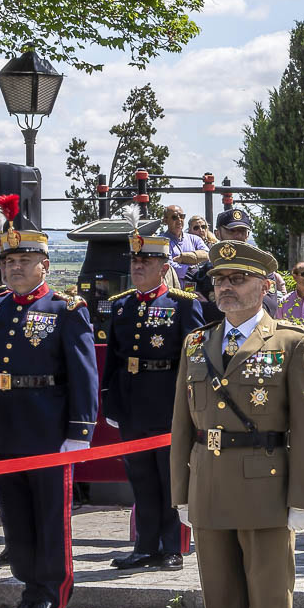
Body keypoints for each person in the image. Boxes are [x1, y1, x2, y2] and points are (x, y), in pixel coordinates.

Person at [170, 239, 304, 608]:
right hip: (210, 485)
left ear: (264, 285)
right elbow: (181, 427)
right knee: (221, 603)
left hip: (266, 488)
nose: (226, 288)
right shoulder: (197, 344)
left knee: (269, 604)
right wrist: (182, 490)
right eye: (219, 280)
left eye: (237, 279)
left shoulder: (292, 343)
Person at [0, 197, 97, 608]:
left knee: (50, 515)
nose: (14, 268)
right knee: (16, 516)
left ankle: (51, 592)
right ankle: (28, 588)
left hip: (49, 430)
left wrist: (79, 431)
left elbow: (82, 374)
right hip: (6, 429)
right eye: (9, 261)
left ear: (44, 265)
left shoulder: (65, 310)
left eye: (24, 260)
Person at [100, 221, 206, 572]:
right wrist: (111, 403)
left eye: (145, 262)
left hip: (167, 403)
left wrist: (190, 406)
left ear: (164, 268)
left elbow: (193, 359)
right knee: (141, 479)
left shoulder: (182, 304)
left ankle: (172, 546)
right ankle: (145, 546)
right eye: (134, 261)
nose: (138, 267)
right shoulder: (121, 306)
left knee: (170, 476)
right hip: (132, 403)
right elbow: (113, 360)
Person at [189, 207, 254, 302]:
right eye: (231, 231)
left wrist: (211, 308)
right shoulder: (205, 272)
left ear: (247, 235)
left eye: (242, 231)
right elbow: (192, 302)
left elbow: (267, 305)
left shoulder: (259, 268)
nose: (238, 236)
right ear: (217, 234)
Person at [163, 204, 209, 286]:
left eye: (182, 216)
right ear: (165, 220)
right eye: (174, 217)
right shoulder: (162, 241)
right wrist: (191, 271)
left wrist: (184, 257)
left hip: (196, 292)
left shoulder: (194, 239)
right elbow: (168, 265)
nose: (179, 220)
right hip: (172, 292)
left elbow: (207, 254)